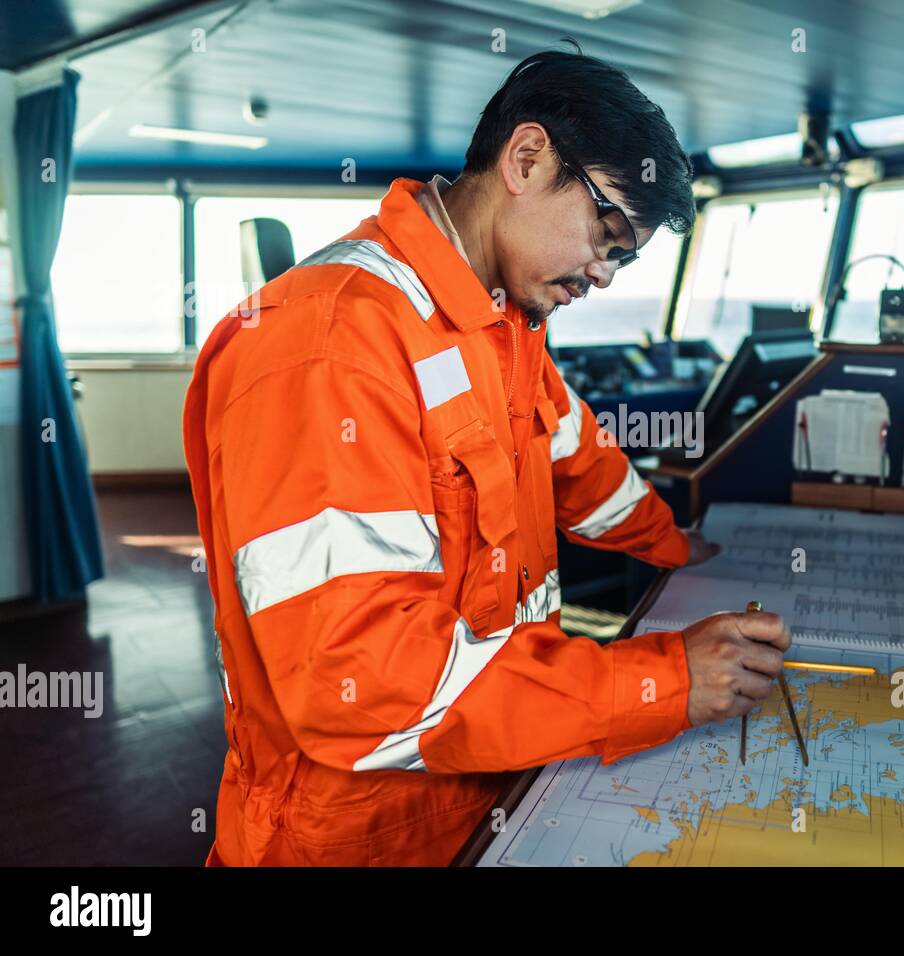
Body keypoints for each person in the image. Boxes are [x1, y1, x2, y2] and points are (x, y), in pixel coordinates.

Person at [182, 48, 791, 866]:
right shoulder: (329, 342)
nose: (605, 275)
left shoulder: (501, 324)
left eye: (628, 257)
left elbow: (583, 466)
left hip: (489, 784)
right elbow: (365, 688)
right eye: (606, 233)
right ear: (528, 157)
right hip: (360, 832)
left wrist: (688, 556)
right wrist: (664, 681)